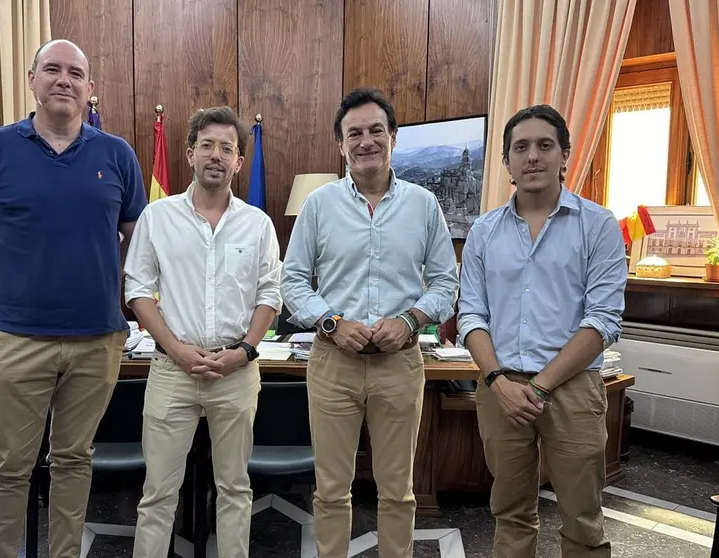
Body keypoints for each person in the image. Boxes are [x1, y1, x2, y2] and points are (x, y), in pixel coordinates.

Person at [0, 39, 147, 558]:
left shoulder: (117, 155)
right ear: (32, 79)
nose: (64, 80)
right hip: (14, 339)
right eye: (53, 69)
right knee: (9, 467)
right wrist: (13, 280)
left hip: (97, 340)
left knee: (75, 460)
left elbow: (136, 240)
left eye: (75, 73)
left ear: (90, 88)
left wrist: (100, 277)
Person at [281, 87, 459, 558]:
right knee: (331, 490)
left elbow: (446, 282)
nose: (366, 142)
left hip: (399, 365)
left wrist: (411, 320)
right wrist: (330, 323)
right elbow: (292, 280)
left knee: (398, 491)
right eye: (354, 133)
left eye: (376, 131)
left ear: (393, 137)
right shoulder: (319, 205)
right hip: (333, 364)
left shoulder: (423, 205)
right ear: (340, 144)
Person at [457, 104, 627, 558]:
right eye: (521, 147)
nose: (532, 156)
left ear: (564, 155)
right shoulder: (484, 231)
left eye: (545, 145)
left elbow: (603, 320)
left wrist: (540, 386)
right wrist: (499, 382)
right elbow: (471, 316)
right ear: (507, 162)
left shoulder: (598, 225)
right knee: (510, 513)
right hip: (501, 388)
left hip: (573, 387)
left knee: (582, 517)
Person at [124, 106, 282, 558]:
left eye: (226, 148)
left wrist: (245, 350)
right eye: (207, 145)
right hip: (172, 372)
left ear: (239, 162)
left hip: (236, 373)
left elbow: (270, 293)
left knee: (234, 489)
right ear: (190, 153)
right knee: (158, 495)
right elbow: (138, 290)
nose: (216, 155)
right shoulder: (157, 217)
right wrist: (175, 349)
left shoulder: (258, 224)